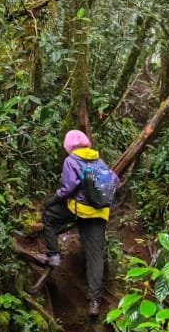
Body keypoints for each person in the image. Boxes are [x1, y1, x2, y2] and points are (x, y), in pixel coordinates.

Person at [42, 129, 119, 316]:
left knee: (49, 216)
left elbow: (69, 187)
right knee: (95, 256)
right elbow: (114, 181)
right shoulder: (98, 160)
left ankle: (54, 256)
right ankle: (94, 302)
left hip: (80, 209)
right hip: (100, 212)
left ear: (68, 145)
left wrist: (52, 200)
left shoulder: (71, 160)